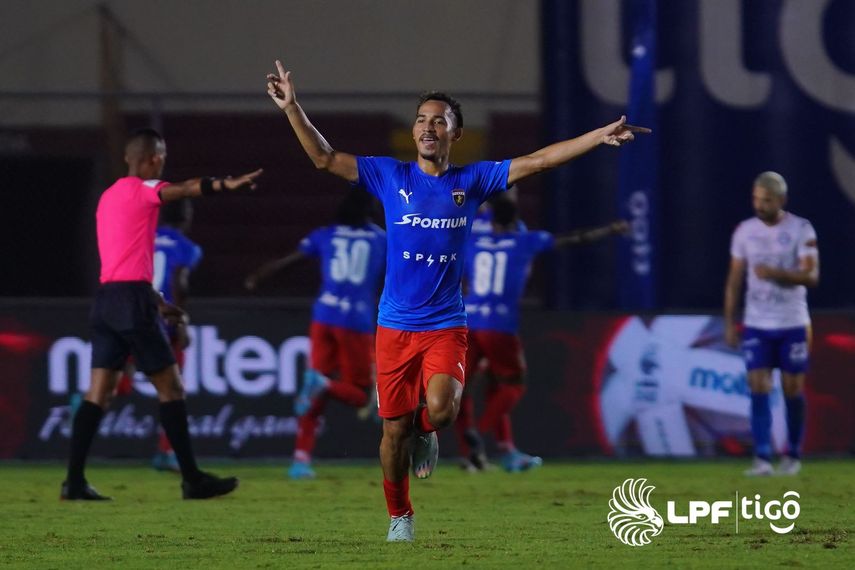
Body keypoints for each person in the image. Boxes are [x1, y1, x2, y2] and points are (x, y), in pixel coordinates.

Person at [266, 59, 649, 541]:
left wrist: (596, 137)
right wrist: (293, 108)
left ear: (456, 134)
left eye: (439, 120)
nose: (428, 126)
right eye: (422, 119)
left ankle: (428, 434)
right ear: (414, 130)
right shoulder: (389, 175)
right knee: (391, 433)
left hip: (446, 323)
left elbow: (539, 160)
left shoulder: (473, 181)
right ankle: (399, 517)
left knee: (442, 411)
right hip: (394, 326)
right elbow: (324, 158)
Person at [61, 128, 262, 501]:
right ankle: (192, 479)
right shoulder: (144, 191)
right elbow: (185, 189)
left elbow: (124, 263)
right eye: (162, 156)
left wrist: (156, 300)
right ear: (152, 158)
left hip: (107, 300)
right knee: (171, 388)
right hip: (131, 302)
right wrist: (226, 185)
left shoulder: (107, 198)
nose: (163, 162)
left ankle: (73, 482)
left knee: (98, 394)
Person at [458, 196, 628, 472]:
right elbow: (573, 239)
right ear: (515, 219)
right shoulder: (526, 241)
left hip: (468, 321)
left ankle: (486, 453)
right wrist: (611, 230)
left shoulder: (472, 242)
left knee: (469, 388)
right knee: (513, 384)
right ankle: (479, 432)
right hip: (500, 326)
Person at [244, 189, 386, 480]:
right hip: (355, 321)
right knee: (360, 395)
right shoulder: (382, 239)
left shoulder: (325, 235)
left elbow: (294, 260)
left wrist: (260, 275)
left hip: (323, 316)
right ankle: (321, 383)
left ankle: (300, 459)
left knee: (314, 396)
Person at [723, 171, 819, 477]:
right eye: (756, 198)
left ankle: (792, 453)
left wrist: (777, 274)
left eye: (765, 200)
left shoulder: (801, 229)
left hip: (792, 322)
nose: (759, 205)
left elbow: (811, 276)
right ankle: (762, 458)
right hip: (757, 322)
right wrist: (729, 321)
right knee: (758, 385)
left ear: (781, 200)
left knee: (792, 389)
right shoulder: (744, 232)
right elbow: (734, 280)